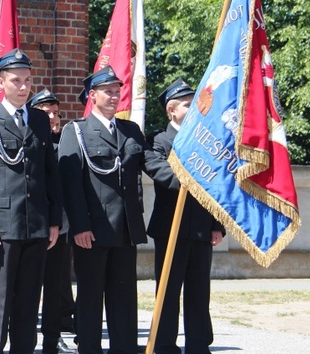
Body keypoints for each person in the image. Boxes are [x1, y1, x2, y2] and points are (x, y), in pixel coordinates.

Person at [58, 67, 179, 354]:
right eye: (108, 91)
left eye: (117, 91)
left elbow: (152, 164)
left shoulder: (130, 131)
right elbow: (70, 184)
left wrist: (184, 180)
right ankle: (88, 347)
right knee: (90, 296)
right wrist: (79, 225)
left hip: (125, 229)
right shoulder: (76, 131)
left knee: (124, 296)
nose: (114, 96)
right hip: (93, 230)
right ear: (92, 95)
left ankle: (123, 348)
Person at [0, 48, 63, 354]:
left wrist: (54, 220)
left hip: (36, 225)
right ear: (1, 83)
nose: (23, 87)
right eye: (16, 81)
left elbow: (50, 175)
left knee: (28, 299)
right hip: (2, 228)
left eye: (27, 80)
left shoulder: (37, 119)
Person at [147, 78, 225, 354]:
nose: (193, 110)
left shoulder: (206, 139)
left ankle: (199, 344)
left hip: (202, 228)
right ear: (171, 110)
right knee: (168, 291)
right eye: (187, 105)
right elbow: (157, 170)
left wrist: (217, 224)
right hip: (170, 228)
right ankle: (165, 344)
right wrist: (187, 177)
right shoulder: (158, 140)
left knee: (198, 291)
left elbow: (217, 182)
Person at [28, 88, 75, 354]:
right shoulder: (32, 143)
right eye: (47, 113)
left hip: (61, 224)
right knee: (28, 283)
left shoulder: (66, 143)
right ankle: (24, 332)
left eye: (56, 113)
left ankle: (53, 335)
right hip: (33, 223)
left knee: (56, 284)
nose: (53, 118)